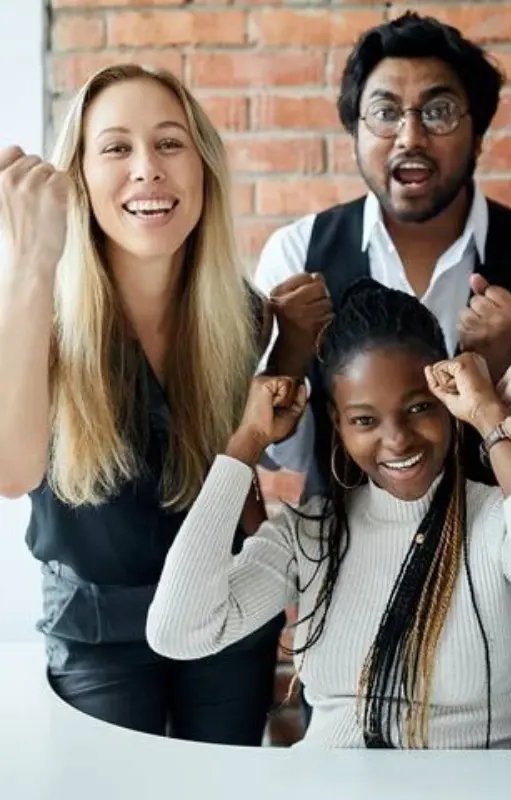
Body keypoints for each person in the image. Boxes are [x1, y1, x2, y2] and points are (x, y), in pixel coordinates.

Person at [256, 10, 511, 749]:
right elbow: (279, 453)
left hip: (509, 609)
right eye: (385, 111)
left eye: (437, 110)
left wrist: (510, 362)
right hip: (352, 605)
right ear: (355, 129)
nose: (409, 135)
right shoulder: (296, 253)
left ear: (476, 127)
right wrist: (288, 353)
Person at [145, 280, 511, 749]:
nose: (397, 440)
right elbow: (178, 631)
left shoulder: (500, 519)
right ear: (339, 422)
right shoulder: (308, 534)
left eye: (418, 408)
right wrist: (244, 443)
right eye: (365, 420)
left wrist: (492, 420)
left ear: (450, 402)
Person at [0, 64, 299, 744]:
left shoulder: (244, 316)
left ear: (202, 168)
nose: (147, 169)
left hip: (223, 620)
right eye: (115, 148)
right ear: (77, 175)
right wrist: (27, 264)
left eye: (169, 144)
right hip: (97, 634)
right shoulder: (35, 314)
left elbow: (245, 465)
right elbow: (10, 472)